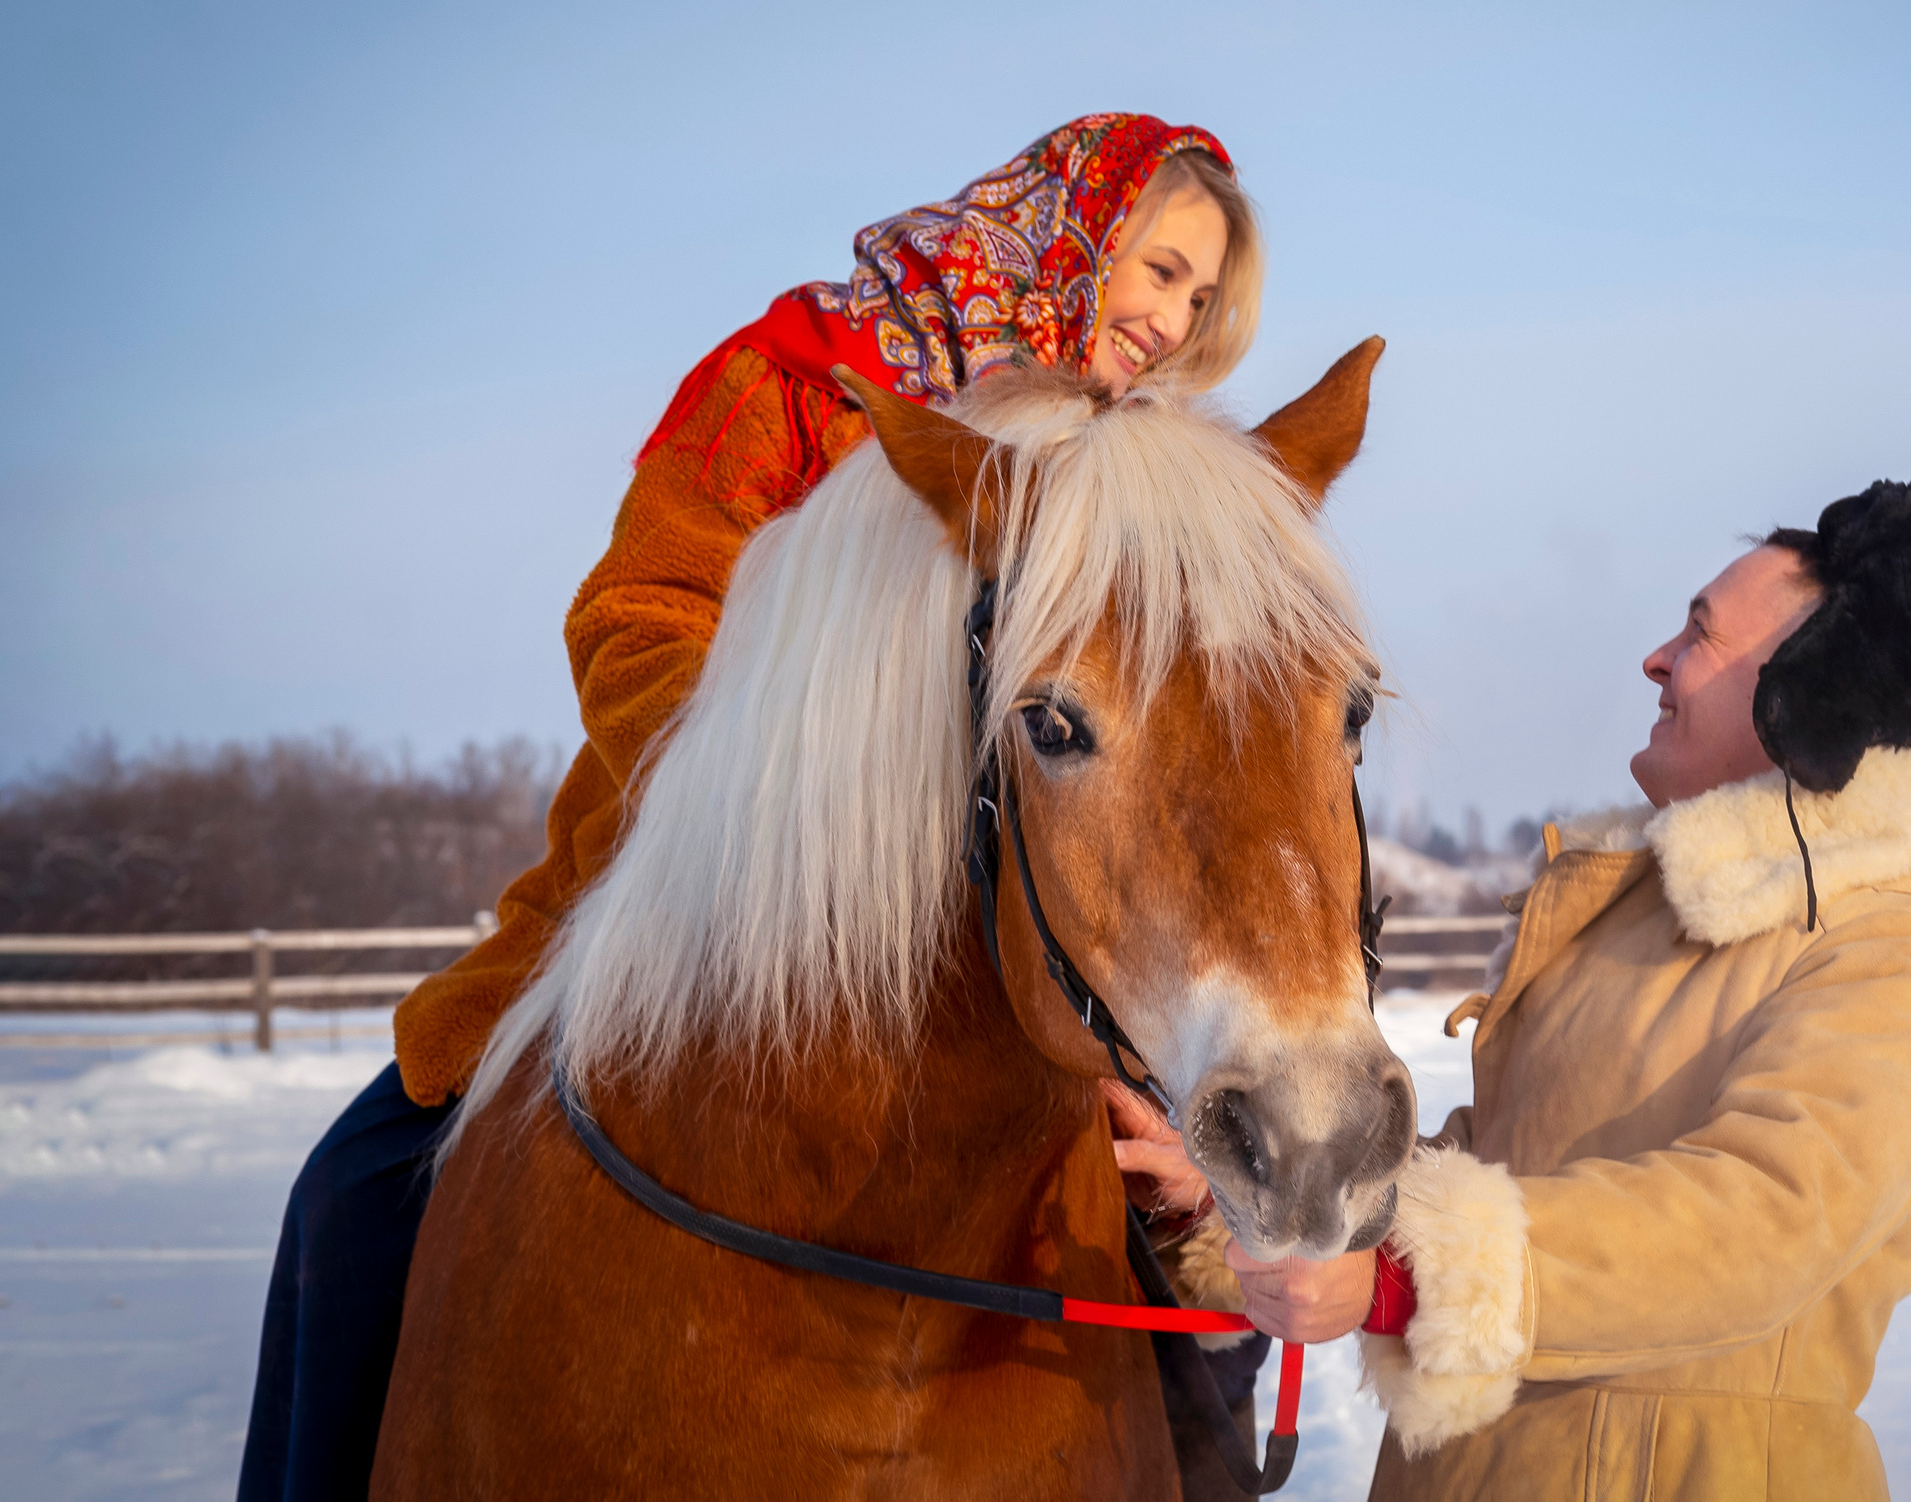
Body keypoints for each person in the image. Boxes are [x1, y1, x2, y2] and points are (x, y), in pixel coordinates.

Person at [238, 113, 1266, 1502]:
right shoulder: (793, 382)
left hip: (1020, 955)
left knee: (1191, 1271)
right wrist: (761, 811)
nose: (1171, 319)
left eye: (1201, 299)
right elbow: (639, 605)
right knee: (353, 1203)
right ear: (1061, 228)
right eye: (1158, 268)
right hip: (702, 897)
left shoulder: (1122, 482)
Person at [1138, 473, 1911, 1499]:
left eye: (1699, 634)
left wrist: (1407, 1278)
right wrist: (1250, 1198)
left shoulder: (1897, 951)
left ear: (1816, 689)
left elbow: (1758, 1220)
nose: (1657, 659)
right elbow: (1500, 1167)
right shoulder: (1642, 917)